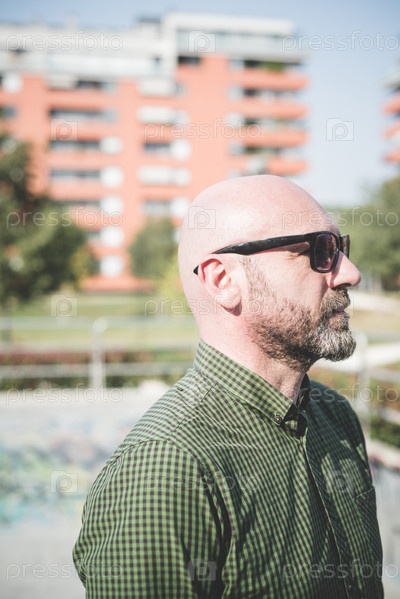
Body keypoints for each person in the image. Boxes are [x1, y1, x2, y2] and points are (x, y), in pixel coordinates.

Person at [73, 175, 383, 598]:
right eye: (319, 251)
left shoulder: (335, 416)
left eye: (340, 248)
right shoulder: (168, 467)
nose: (350, 273)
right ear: (223, 280)